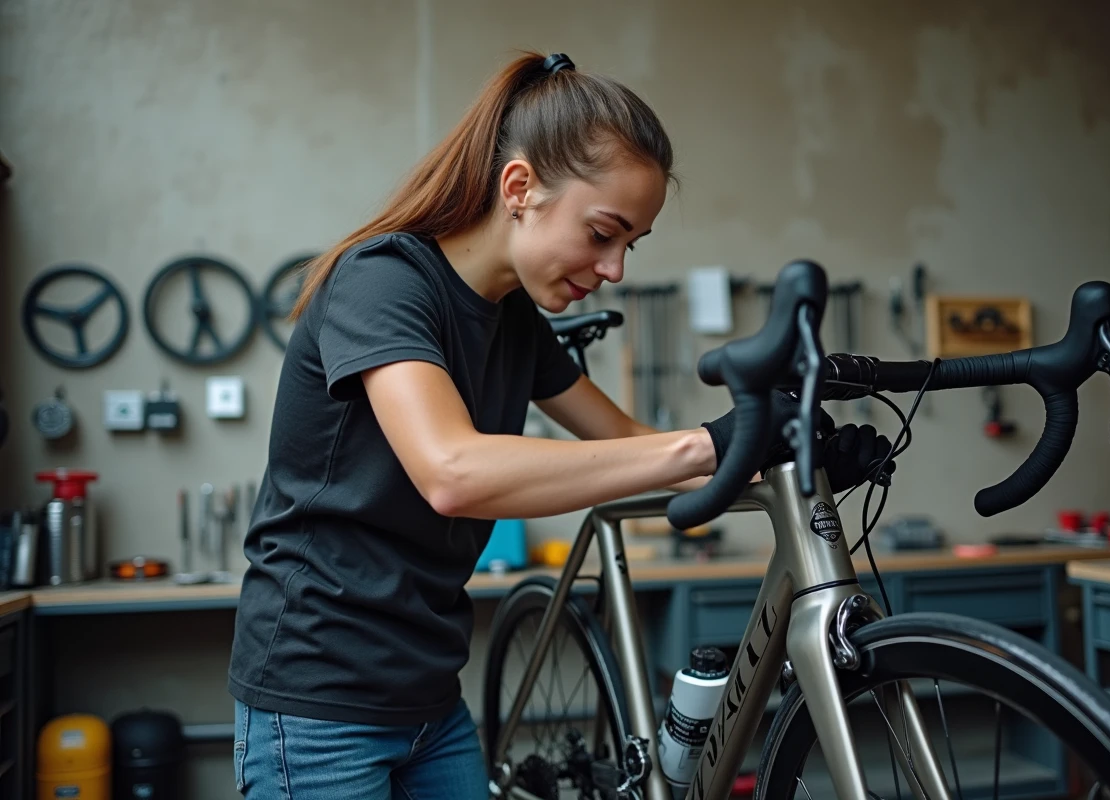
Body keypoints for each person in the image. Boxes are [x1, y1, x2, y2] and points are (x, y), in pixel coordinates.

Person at [227, 51, 894, 799]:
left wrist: (797, 453)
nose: (615, 270)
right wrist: (706, 441)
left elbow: (626, 442)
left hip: (428, 697)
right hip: (319, 702)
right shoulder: (382, 281)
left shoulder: (514, 321)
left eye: (630, 246)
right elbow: (452, 472)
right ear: (520, 189)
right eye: (603, 233)